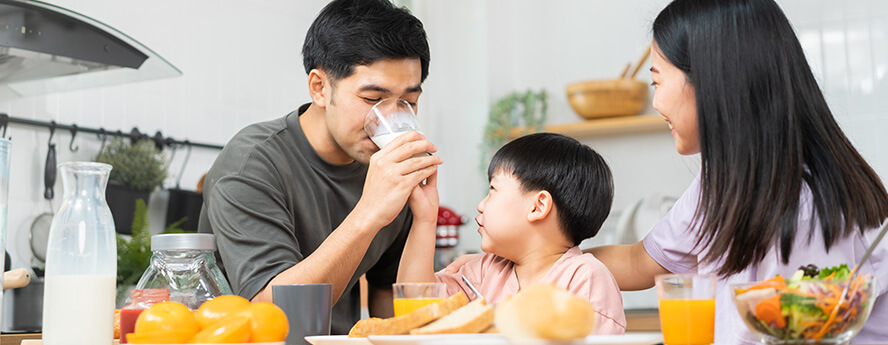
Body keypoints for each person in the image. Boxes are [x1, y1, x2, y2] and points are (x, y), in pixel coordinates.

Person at [588, 0, 888, 343]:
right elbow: (641, 261)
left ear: (711, 81)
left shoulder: (802, 208)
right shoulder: (721, 184)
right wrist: (541, 260)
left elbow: (795, 336)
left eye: (658, 82)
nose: (656, 103)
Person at [197, 0, 441, 335]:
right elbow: (275, 313)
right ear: (320, 88)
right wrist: (369, 213)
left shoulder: (389, 166)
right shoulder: (251, 163)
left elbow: (388, 300)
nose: (391, 118)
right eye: (372, 99)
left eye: (408, 102)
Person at [403, 133, 626, 334]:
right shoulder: (484, 271)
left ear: (538, 206)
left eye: (493, 190)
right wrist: (424, 220)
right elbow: (417, 305)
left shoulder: (585, 277)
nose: (480, 205)